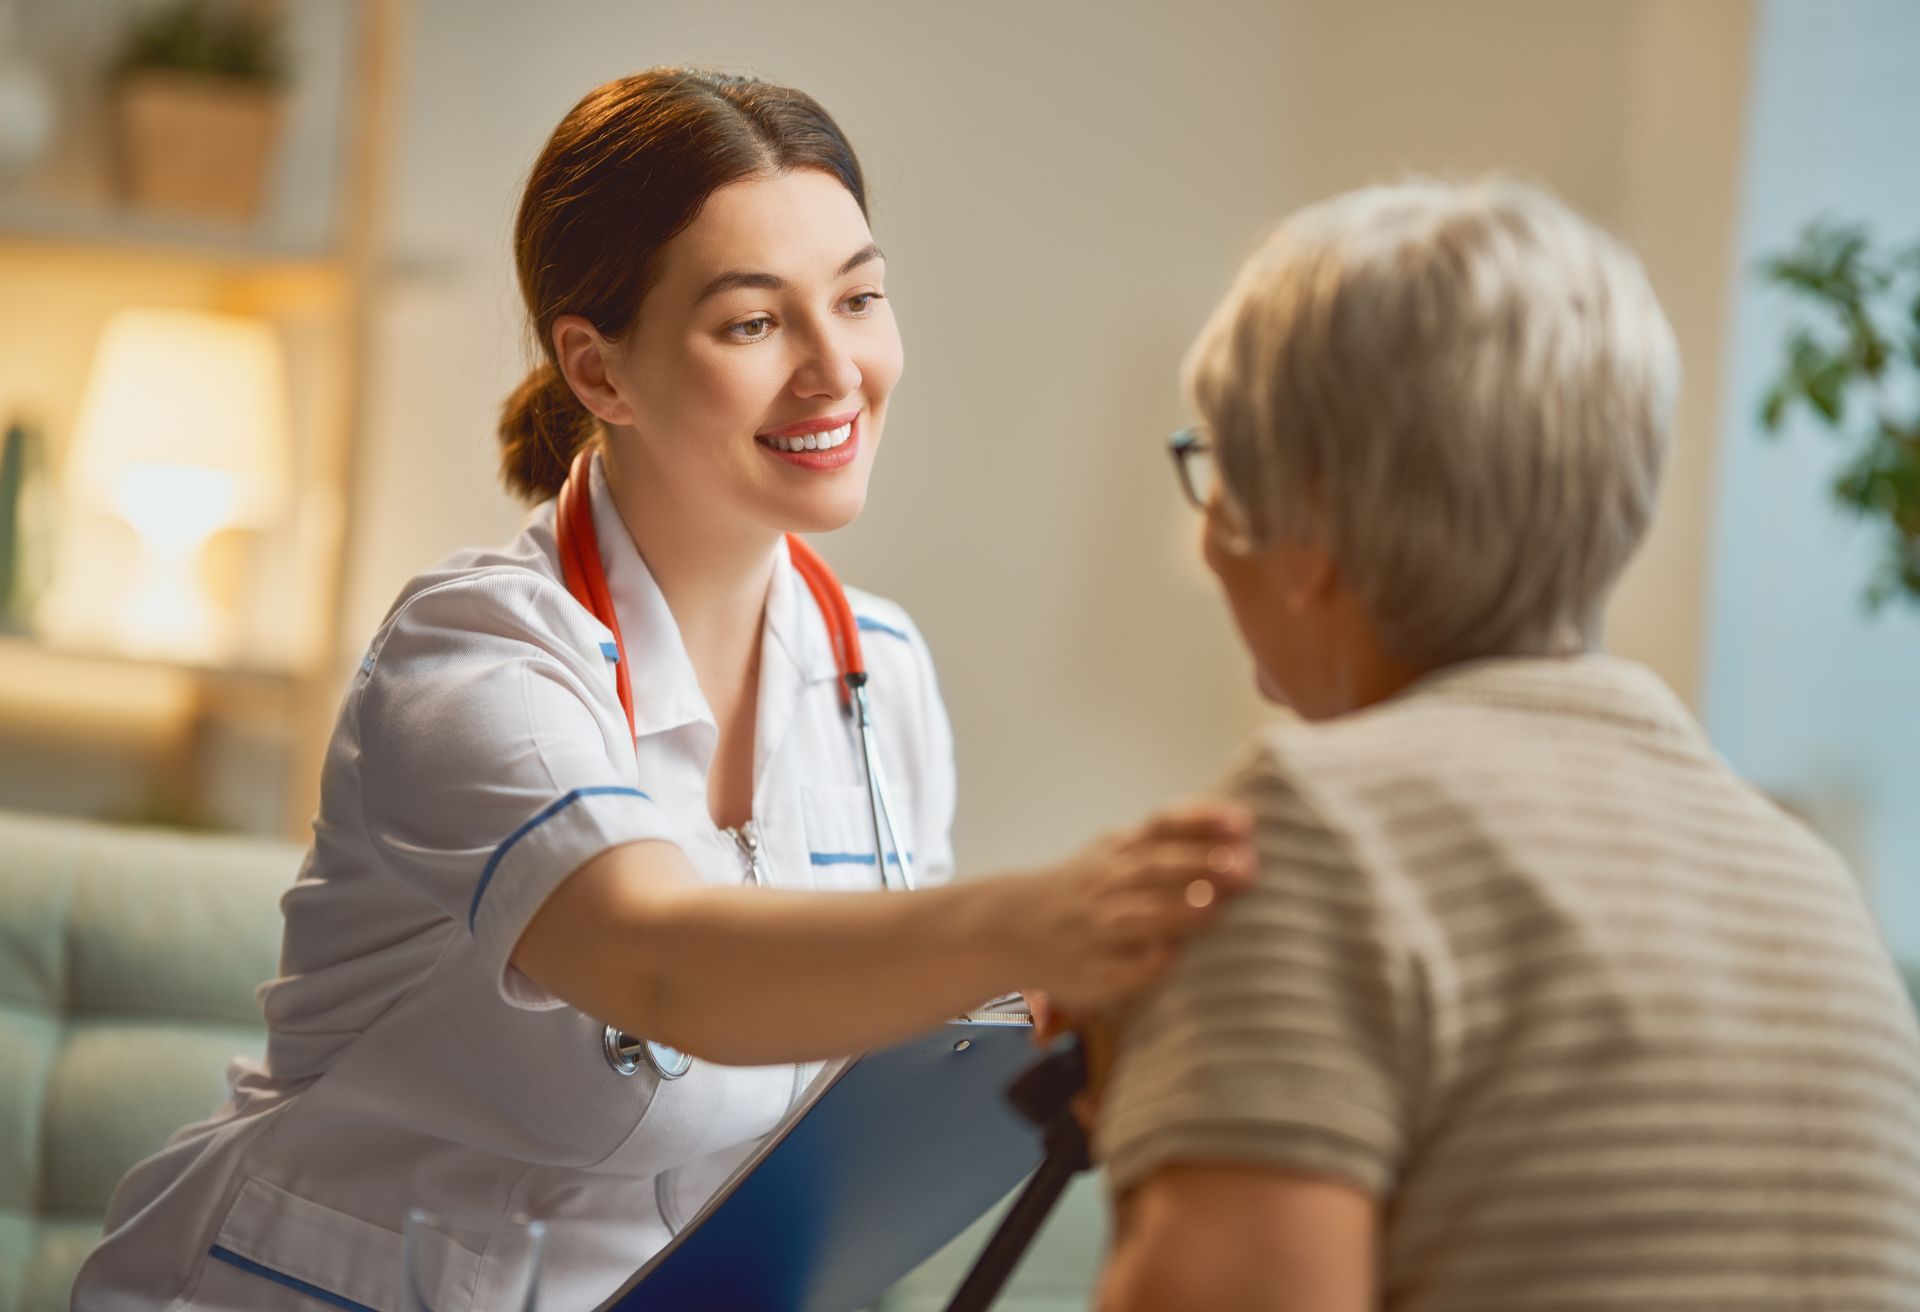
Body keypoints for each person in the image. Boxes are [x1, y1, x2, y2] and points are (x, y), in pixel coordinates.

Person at [70, 69, 1252, 1312]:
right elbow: (666, 966)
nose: (835, 369)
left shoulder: (880, 676)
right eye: (754, 323)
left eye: (859, 297)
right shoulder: (472, 658)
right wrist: (1044, 917)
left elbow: (860, 1076)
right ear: (599, 371)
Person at [1090, 179, 1920, 1311]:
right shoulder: (1806, 885)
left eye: (1221, 469)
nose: (1208, 538)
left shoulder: (1317, 835)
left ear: (1312, 522)